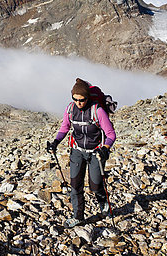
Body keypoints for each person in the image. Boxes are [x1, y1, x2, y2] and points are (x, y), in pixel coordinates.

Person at [48, 78, 116, 227]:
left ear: (87, 98)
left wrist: (105, 148)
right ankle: (78, 217)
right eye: (75, 99)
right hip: (77, 151)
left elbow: (111, 134)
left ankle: (103, 202)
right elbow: (64, 128)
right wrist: (55, 142)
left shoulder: (97, 110)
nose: (78, 103)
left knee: (95, 185)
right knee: (75, 185)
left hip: (96, 152)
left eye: (82, 100)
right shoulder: (71, 109)